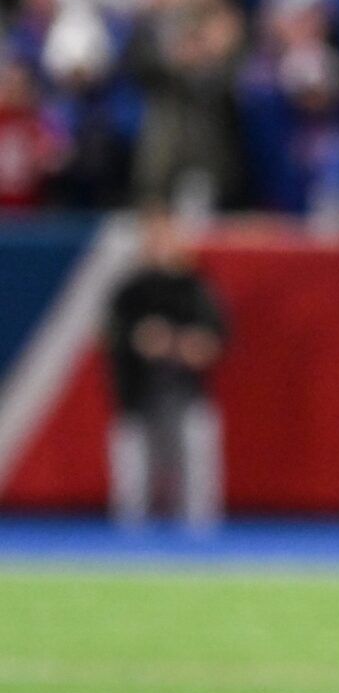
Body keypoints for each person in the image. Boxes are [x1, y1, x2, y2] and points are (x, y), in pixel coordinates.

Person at [104, 208, 227, 532]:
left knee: (196, 470)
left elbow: (216, 336)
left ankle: (198, 544)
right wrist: (139, 339)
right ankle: (130, 546)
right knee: (134, 480)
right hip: (138, 395)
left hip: (185, 392)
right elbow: (112, 333)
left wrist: (193, 345)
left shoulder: (195, 287)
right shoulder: (130, 289)